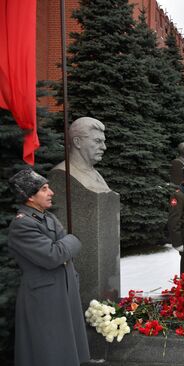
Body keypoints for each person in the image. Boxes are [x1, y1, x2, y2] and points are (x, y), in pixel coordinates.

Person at [8, 169, 90, 366]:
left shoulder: (46, 217)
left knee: (65, 349)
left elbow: (61, 249)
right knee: (48, 350)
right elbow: (54, 255)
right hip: (44, 296)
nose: (51, 192)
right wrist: (72, 240)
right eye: (44, 189)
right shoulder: (23, 224)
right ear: (29, 195)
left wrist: (65, 247)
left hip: (61, 290)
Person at [52, 116, 110, 193]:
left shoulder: (95, 174)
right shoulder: (62, 174)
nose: (104, 147)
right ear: (77, 142)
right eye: (97, 141)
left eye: (103, 142)